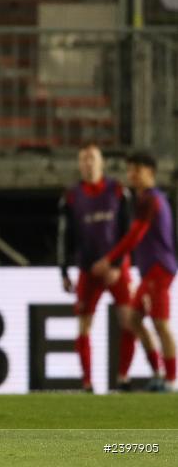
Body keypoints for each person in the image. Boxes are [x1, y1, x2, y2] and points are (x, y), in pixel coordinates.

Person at [93, 151, 177, 392]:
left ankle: (171, 381)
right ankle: (159, 374)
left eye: (136, 170)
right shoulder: (151, 198)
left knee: (160, 324)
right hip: (152, 269)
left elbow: (136, 234)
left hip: (159, 269)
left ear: (150, 172)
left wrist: (110, 259)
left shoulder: (149, 199)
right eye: (129, 170)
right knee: (133, 319)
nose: (131, 175)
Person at [56, 143, 134, 392]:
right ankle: (87, 382)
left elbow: (128, 231)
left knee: (129, 321)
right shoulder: (71, 196)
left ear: (101, 163)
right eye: (84, 159)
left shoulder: (118, 191)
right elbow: (64, 235)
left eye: (92, 158)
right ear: (80, 165)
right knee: (83, 325)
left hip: (116, 269)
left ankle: (123, 378)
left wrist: (118, 264)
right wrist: (64, 270)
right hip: (88, 270)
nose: (88, 163)